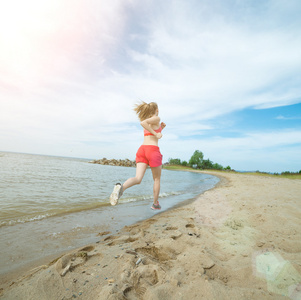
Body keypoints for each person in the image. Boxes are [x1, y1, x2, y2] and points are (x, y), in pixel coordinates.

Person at [109, 101, 166, 210]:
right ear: (157, 110)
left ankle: (121, 188)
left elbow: (149, 131)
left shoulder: (151, 123)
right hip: (153, 151)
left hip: (142, 150)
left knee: (138, 178)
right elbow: (145, 125)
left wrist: (160, 129)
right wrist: (156, 134)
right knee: (157, 179)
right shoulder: (156, 118)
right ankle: (155, 204)